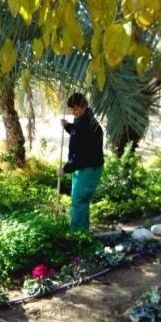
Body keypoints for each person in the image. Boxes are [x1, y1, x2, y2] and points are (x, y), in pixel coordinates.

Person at [57, 93, 104, 231]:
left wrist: (65, 169)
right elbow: (77, 132)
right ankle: (83, 233)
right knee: (82, 203)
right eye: (71, 109)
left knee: (78, 202)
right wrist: (68, 126)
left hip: (89, 168)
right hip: (87, 167)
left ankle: (76, 236)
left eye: (76, 109)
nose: (73, 112)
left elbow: (81, 156)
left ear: (84, 106)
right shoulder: (83, 119)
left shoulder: (87, 126)